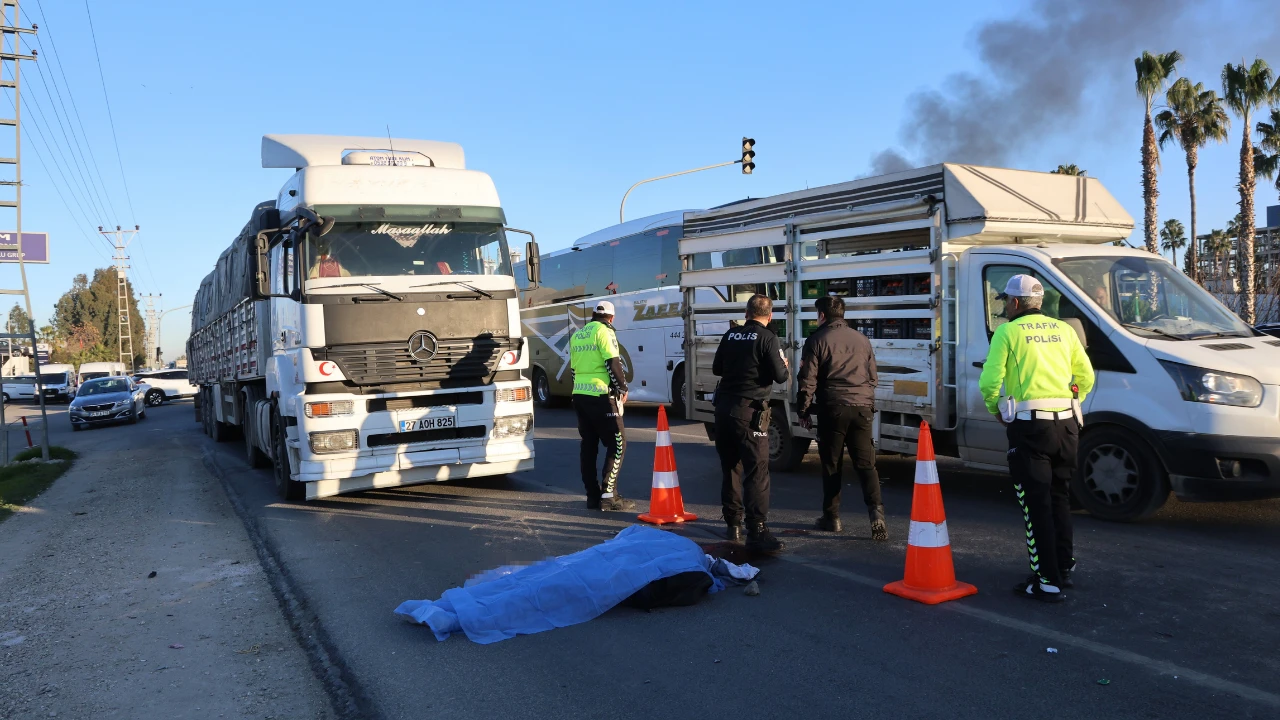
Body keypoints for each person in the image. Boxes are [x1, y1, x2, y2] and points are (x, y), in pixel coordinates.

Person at [979, 274, 1095, 603]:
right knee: (1059, 497)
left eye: (1006, 301)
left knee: (1035, 505)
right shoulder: (1065, 330)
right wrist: (1072, 401)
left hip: (1030, 428)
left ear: (1015, 303)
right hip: (1067, 426)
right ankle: (1063, 567)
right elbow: (1085, 376)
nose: (1005, 306)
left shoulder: (1007, 332)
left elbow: (990, 381)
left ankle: (1047, 581)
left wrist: (996, 408)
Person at [795, 295, 885, 540]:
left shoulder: (816, 340)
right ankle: (876, 513)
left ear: (822, 315)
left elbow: (807, 380)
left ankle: (832, 518)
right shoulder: (862, 339)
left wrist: (803, 410)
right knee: (866, 464)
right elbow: (873, 378)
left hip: (832, 408)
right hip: (862, 408)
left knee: (832, 464)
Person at [712, 294, 789, 553]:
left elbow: (717, 369)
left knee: (731, 467)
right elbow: (781, 376)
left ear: (746, 313)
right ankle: (757, 531)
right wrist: (784, 365)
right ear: (770, 316)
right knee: (757, 471)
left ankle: (733, 523)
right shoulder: (768, 337)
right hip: (749, 412)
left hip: (723, 409)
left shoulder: (730, 335)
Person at [569, 300, 634, 512]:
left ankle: (592, 496)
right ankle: (609, 496)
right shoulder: (605, 332)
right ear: (611, 318)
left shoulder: (578, 335)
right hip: (600, 396)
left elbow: (573, 370)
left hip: (580, 395)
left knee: (589, 445)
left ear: (593, 315)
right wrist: (622, 388)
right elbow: (612, 362)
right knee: (618, 444)